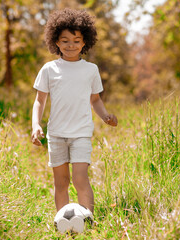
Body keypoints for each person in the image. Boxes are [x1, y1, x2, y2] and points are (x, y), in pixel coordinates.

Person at [31, 8, 117, 214]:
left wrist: (105, 115)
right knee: (61, 181)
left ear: (85, 42)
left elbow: (95, 99)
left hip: (81, 133)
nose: (71, 45)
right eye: (65, 40)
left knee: (80, 178)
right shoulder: (49, 69)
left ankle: (87, 220)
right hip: (57, 134)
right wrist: (36, 125)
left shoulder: (91, 70)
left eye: (76, 40)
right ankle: (62, 222)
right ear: (56, 42)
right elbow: (39, 100)